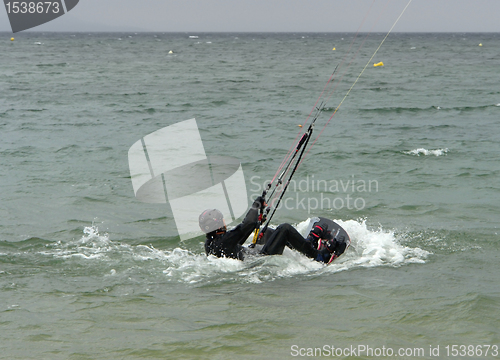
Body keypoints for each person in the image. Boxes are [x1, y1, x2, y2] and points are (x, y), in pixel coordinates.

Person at [200, 198, 347, 264]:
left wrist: (256, 224)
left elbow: (239, 236)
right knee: (284, 229)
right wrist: (257, 204)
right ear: (219, 224)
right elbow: (247, 224)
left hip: (249, 256)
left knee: (267, 232)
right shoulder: (224, 240)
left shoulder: (211, 243)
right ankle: (318, 256)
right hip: (259, 260)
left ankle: (305, 246)